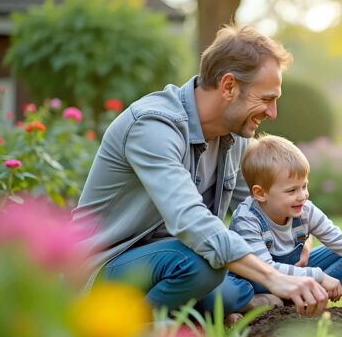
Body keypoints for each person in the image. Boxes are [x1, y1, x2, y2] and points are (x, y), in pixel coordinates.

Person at [71, 25, 328, 317]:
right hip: (106, 265)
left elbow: (266, 207)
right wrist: (274, 278)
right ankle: (132, 329)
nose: (273, 113)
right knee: (203, 268)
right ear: (229, 86)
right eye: (267, 99)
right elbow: (190, 220)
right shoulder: (152, 126)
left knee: (331, 261)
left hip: (188, 262)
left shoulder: (235, 138)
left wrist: (302, 236)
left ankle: (225, 306)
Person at [217, 134, 342, 322]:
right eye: (292, 190)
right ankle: (261, 303)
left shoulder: (304, 209)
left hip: (295, 272)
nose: (302, 196)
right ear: (260, 193)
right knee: (225, 290)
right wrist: (318, 277)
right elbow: (266, 270)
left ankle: (293, 301)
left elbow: (340, 241)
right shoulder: (247, 219)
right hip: (258, 281)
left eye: (304, 186)